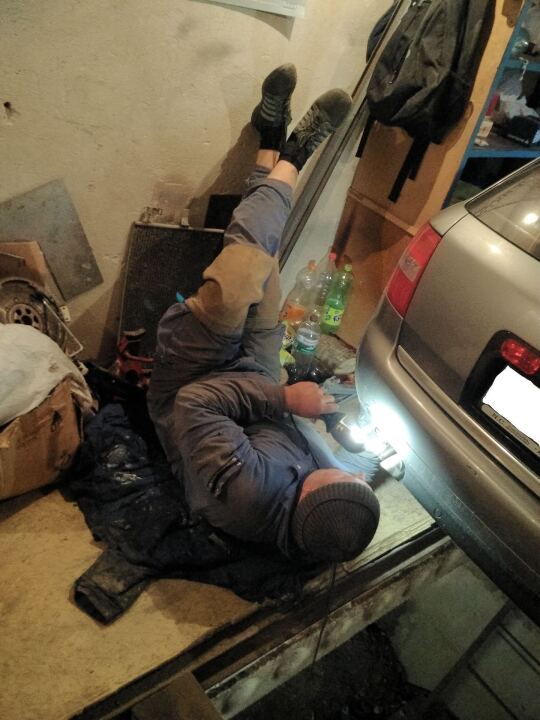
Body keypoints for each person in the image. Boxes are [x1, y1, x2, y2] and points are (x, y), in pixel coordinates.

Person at [147, 65, 380, 563]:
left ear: (309, 493)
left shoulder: (243, 492)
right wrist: (339, 432)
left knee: (238, 281)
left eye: (338, 478)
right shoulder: (326, 516)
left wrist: (285, 398)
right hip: (254, 376)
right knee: (262, 259)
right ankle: (271, 138)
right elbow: (351, 470)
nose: (345, 472)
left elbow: (193, 403)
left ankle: (293, 151)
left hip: (196, 382)